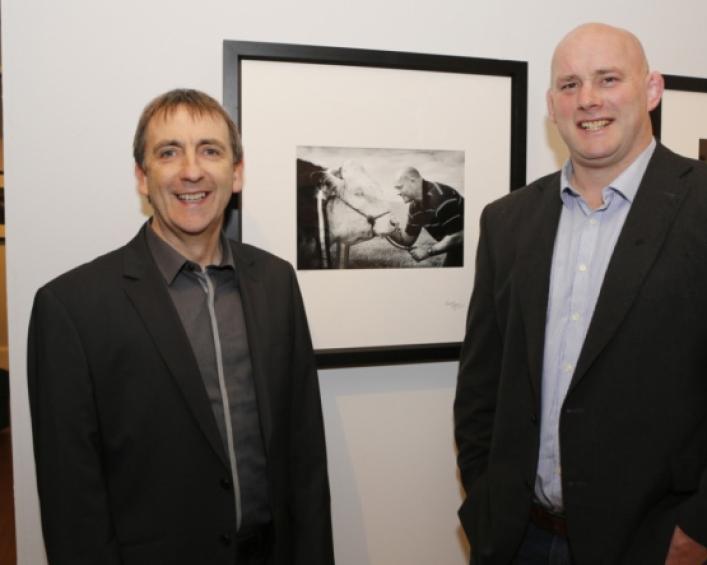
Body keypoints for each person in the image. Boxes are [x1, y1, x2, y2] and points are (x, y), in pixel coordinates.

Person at [454, 23, 707, 565]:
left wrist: (701, 534)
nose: (588, 99)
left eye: (608, 79)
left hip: (653, 546)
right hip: (517, 540)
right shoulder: (507, 222)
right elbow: (481, 387)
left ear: (652, 89)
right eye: (569, 85)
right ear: (551, 105)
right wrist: (485, 498)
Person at [28, 89, 335, 565]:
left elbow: (305, 453)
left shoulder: (277, 282)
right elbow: (72, 507)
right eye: (169, 152)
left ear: (236, 173)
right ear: (142, 176)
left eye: (210, 150)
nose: (192, 171)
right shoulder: (71, 308)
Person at [389, 166, 464, 266]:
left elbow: (458, 236)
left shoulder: (440, 197)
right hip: (457, 249)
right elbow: (408, 240)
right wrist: (389, 229)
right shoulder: (414, 207)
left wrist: (427, 251)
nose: (397, 193)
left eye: (400, 187)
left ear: (412, 181)